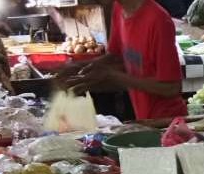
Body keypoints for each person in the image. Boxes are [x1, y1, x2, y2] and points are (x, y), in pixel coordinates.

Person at [58, 0, 186, 120]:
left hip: (167, 122)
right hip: (145, 118)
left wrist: (113, 76)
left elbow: (172, 88)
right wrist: (79, 66)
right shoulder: (119, 9)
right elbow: (116, 55)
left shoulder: (158, 20)